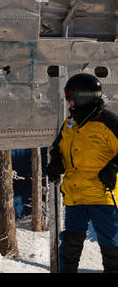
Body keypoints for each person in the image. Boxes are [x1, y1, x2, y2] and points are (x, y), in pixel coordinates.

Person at [47, 73, 118, 273]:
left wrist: (113, 167)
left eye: (71, 97)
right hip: (75, 195)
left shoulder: (108, 122)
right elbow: (58, 149)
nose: (69, 102)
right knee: (70, 245)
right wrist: (56, 163)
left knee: (110, 246)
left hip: (101, 194)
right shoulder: (70, 124)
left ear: (84, 97)